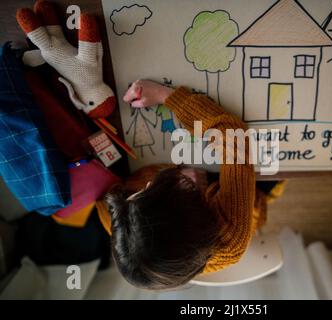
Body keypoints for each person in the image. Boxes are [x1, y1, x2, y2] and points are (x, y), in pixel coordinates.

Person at [96, 80, 284, 289]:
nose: (147, 186)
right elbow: (233, 135)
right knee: (276, 161)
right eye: (150, 190)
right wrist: (164, 95)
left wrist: (176, 176)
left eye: (141, 193)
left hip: (191, 185)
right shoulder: (229, 235)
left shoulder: (115, 215)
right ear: (188, 206)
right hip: (244, 198)